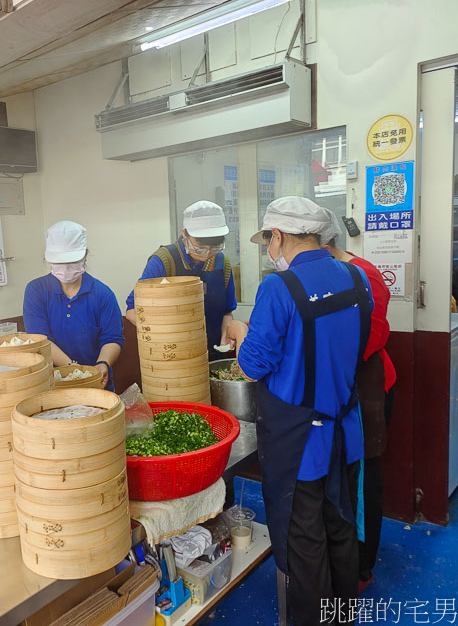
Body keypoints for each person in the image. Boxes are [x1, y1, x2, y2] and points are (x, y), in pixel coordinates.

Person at [224, 197, 373, 626]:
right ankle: (342, 615)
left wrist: (240, 331)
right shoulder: (354, 277)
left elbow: (252, 365)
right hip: (346, 431)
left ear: (279, 237)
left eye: (269, 240)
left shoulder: (278, 287)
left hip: (301, 444)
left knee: (305, 541)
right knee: (341, 526)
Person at [320, 208, 397, 593]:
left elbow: (372, 336)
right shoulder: (324, 277)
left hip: (367, 393)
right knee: (345, 478)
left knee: (364, 480)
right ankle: (344, 553)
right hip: (339, 392)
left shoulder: (364, 275)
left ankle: (361, 567)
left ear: (323, 243)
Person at [125, 201, 236, 357]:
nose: (207, 253)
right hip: (172, 357)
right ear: (184, 233)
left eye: (214, 247)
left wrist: (225, 336)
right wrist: (168, 335)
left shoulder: (221, 263)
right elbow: (132, 311)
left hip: (212, 353)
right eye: (200, 246)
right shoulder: (164, 261)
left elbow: (226, 312)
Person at [23, 221, 124, 391]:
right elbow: (41, 340)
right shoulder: (36, 291)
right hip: (52, 386)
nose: (66, 268)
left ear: (84, 255)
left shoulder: (101, 293)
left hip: (97, 384)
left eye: (72, 261)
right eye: (59, 262)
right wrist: (75, 371)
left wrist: (102, 364)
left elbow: (113, 338)